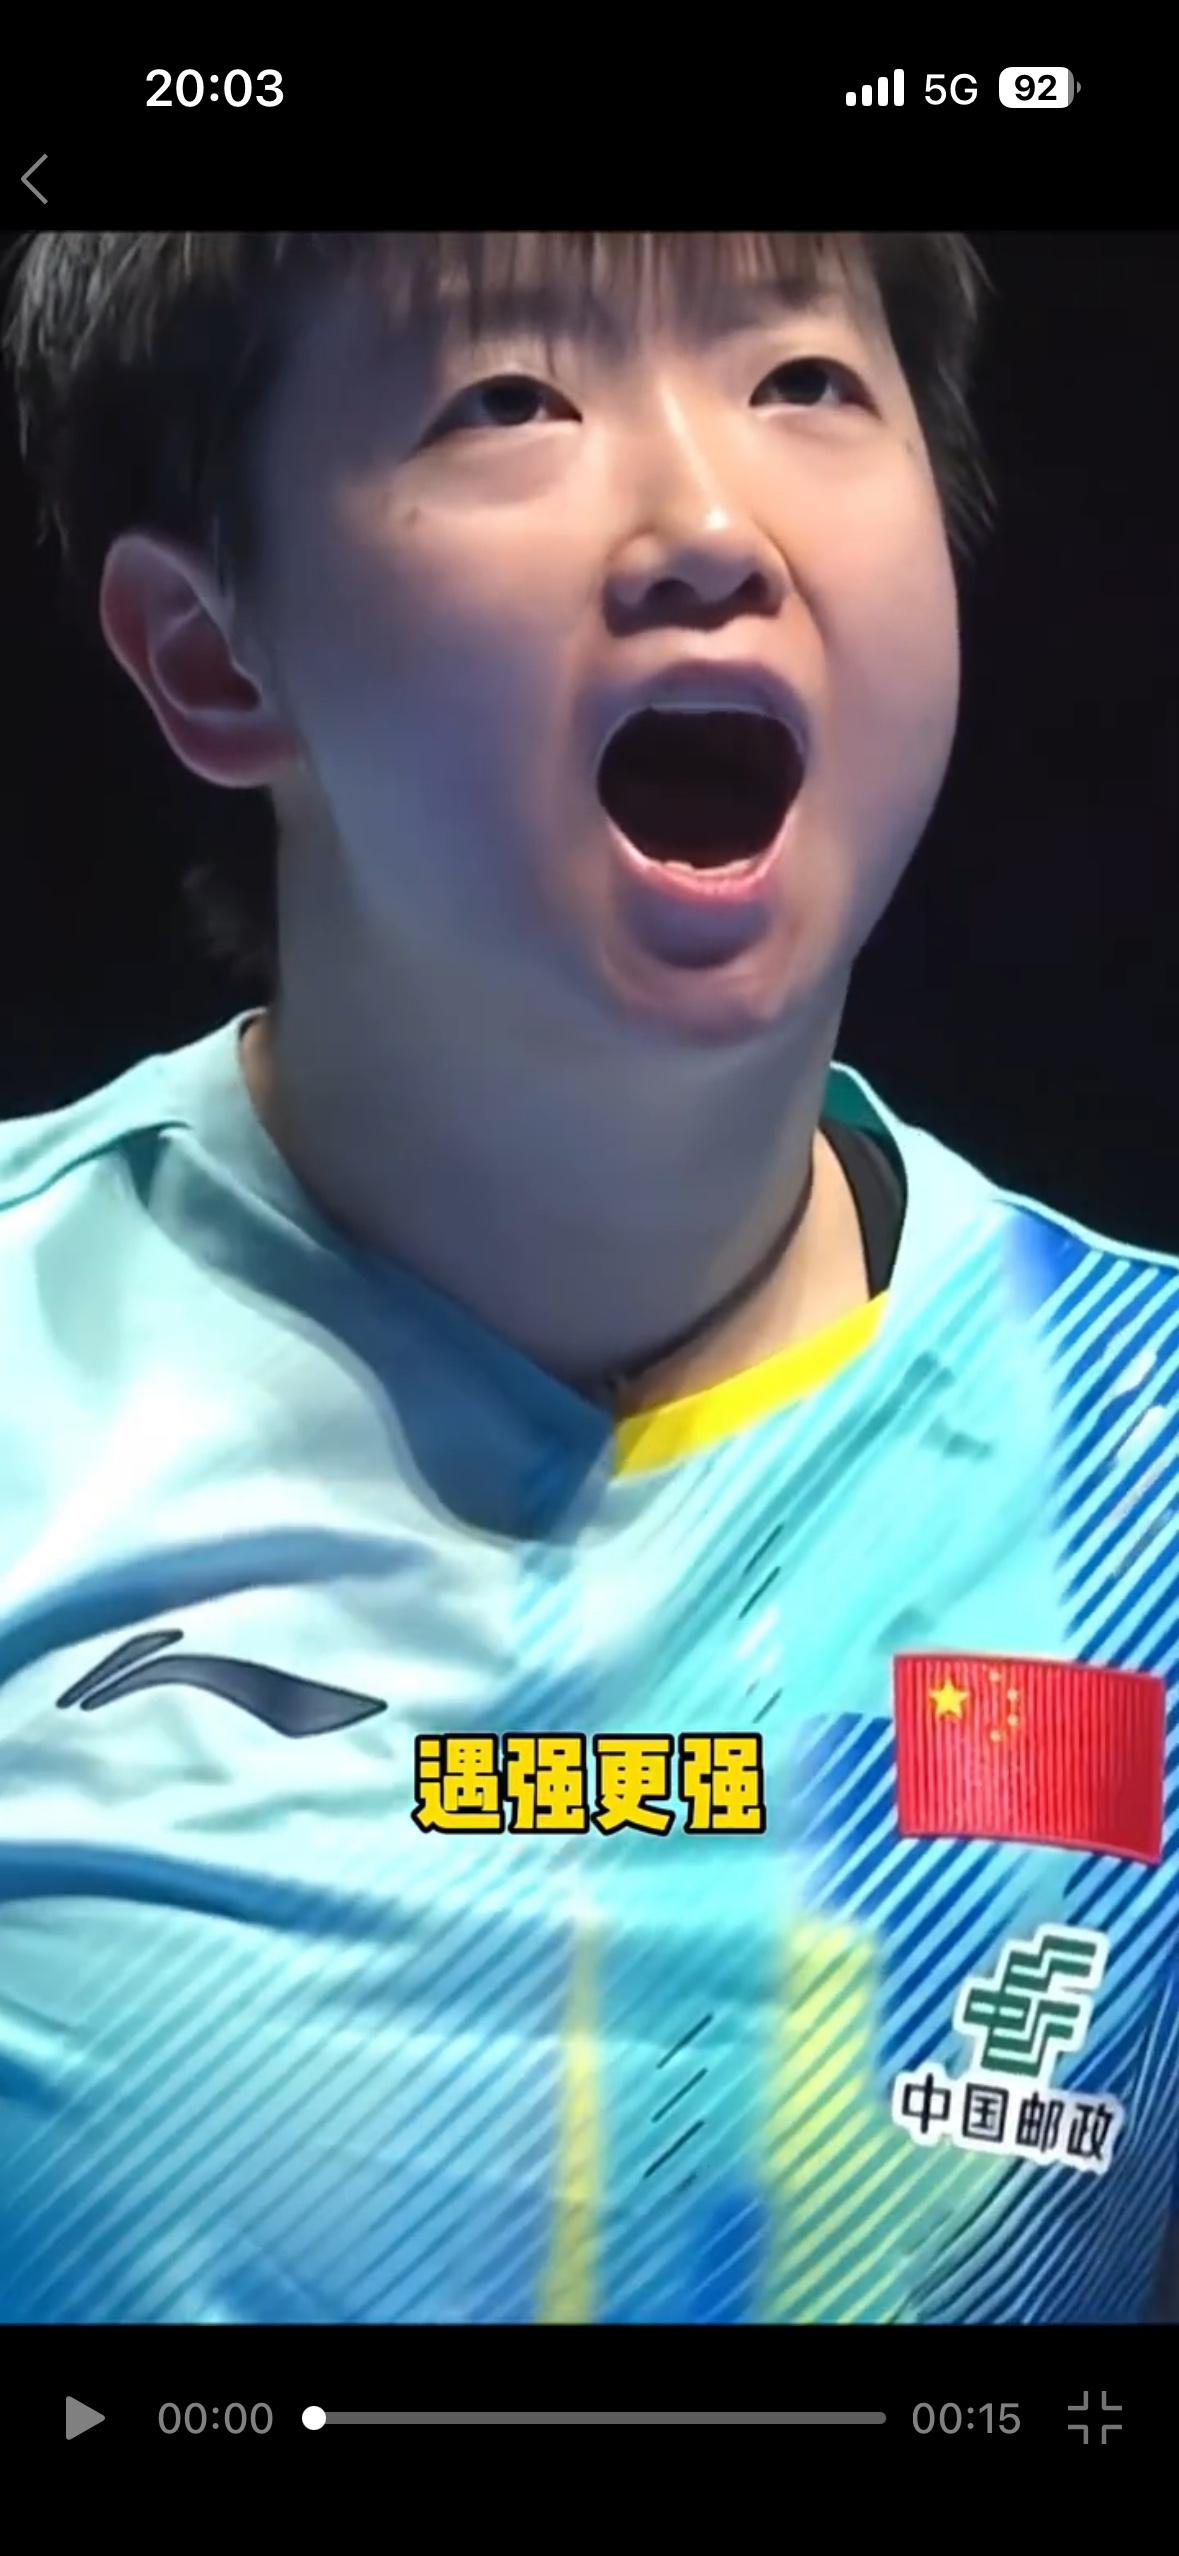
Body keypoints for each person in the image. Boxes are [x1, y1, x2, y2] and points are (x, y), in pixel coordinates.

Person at [0, 230, 1175, 2327]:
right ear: (209, 655)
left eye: (802, 381)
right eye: (509, 402)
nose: (708, 525)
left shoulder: (1138, 1457)